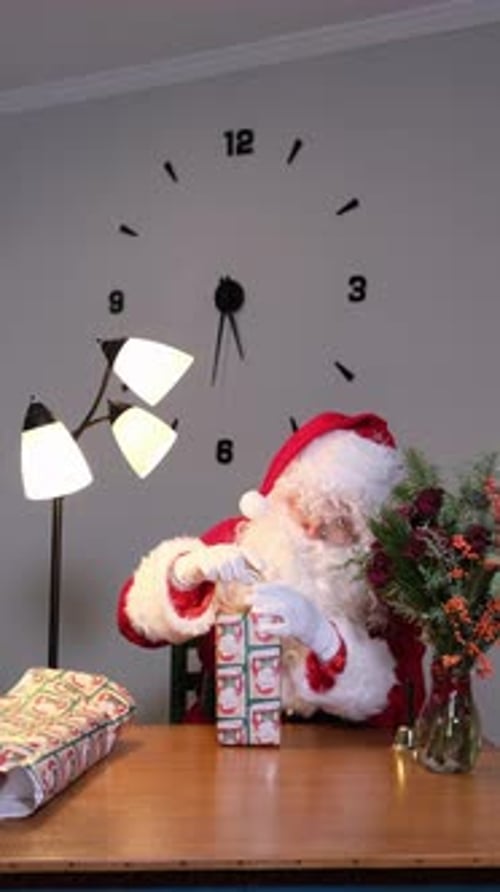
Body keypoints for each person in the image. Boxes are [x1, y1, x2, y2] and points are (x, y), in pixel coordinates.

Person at [118, 411, 425, 727]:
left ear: (365, 532)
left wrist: (325, 639)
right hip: (220, 738)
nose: (312, 525)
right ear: (280, 493)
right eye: (301, 504)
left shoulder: (387, 580)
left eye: (338, 521)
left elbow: (404, 707)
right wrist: (184, 574)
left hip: (333, 756)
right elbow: (133, 627)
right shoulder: (239, 537)